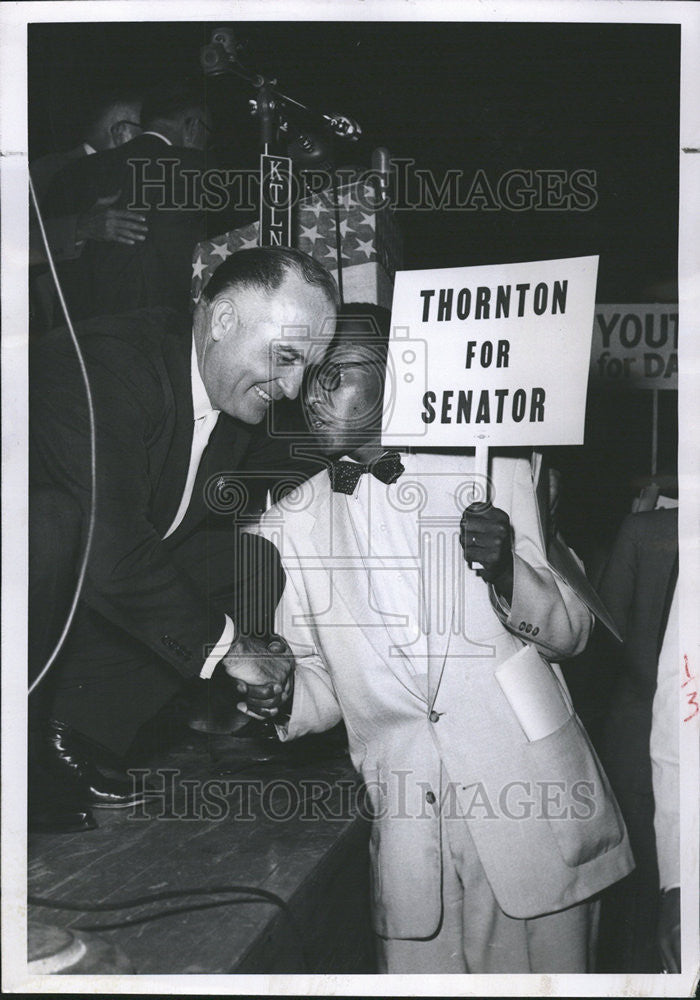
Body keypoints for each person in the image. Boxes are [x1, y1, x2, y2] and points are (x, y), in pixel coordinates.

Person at [236, 303, 635, 973]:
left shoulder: (501, 470)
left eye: (338, 374)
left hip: (537, 820)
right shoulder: (289, 521)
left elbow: (574, 632)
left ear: (401, 373)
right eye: (308, 376)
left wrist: (508, 569)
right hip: (408, 849)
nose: (313, 394)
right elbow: (318, 678)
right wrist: (279, 695)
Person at [29, 246, 338, 832]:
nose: (296, 388)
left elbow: (308, 459)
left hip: (70, 598)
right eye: (289, 357)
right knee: (49, 525)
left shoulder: (225, 389)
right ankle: (18, 754)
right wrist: (233, 650)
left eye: (309, 368)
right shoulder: (107, 365)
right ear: (223, 321)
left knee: (248, 564)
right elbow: (110, 545)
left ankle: (70, 730)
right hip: (36, 575)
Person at [42, 81, 238, 323]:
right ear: (194, 125)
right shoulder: (196, 167)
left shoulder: (73, 172)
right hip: (157, 332)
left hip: (78, 329)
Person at [594, 507, 679, 971]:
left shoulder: (646, 528)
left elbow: (607, 622)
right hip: (641, 731)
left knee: (640, 893)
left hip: (638, 727)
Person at [29, 91, 146, 334]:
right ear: (121, 131)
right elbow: (17, 248)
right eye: (145, 129)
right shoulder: (47, 171)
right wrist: (81, 227)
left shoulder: (133, 174)